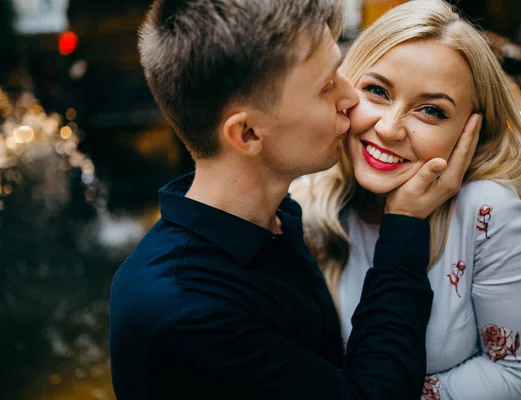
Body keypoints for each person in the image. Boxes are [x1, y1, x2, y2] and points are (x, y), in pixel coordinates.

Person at [109, 0, 481, 399]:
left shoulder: (277, 219)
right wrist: (405, 223)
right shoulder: (184, 315)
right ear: (248, 133)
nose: (351, 96)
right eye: (326, 86)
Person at [291, 1, 521, 399]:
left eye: (430, 111)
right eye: (376, 91)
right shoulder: (308, 201)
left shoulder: (486, 211)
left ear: (470, 132)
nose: (391, 129)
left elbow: (520, 376)